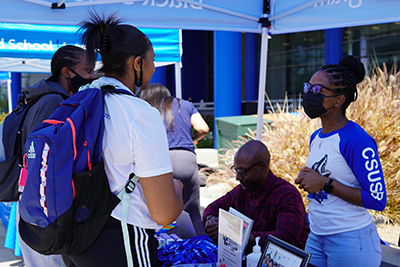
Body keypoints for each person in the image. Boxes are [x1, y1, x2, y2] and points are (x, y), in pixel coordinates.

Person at [61, 13, 183, 267]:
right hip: (122, 238)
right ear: (137, 63)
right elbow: (164, 213)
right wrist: (177, 192)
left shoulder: (78, 101)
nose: (154, 67)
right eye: (152, 60)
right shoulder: (139, 113)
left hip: (75, 236)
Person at [0, 45, 96, 267]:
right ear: (67, 72)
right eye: (88, 69)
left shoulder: (38, 98)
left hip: (33, 204)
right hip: (44, 210)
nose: (92, 76)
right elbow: (42, 160)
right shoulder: (54, 103)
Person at [295, 55, 387, 267]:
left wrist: (325, 184)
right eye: (308, 87)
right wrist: (309, 177)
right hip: (317, 235)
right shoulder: (316, 137)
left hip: (351, 240)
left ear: (339, 99)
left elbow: (377, 199)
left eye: (318, 90)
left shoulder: (356, 140)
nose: (309, 94)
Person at [203, 140, 310, 252]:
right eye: (236, 170)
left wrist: (243, 235)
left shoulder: (287, 195)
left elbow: (287, 237)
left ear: (262, 166)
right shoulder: (242, 190)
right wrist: (211, 220)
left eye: (243, 171)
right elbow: (212, 208)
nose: (237, 177)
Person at [140, 83, 209, 223]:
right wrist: (190, 139)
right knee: (193, 212)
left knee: (162, 214)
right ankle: (200, 243)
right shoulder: (184, 104)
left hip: (161, 162)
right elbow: (203, 128)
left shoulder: (146, 108)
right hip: (187, 159)